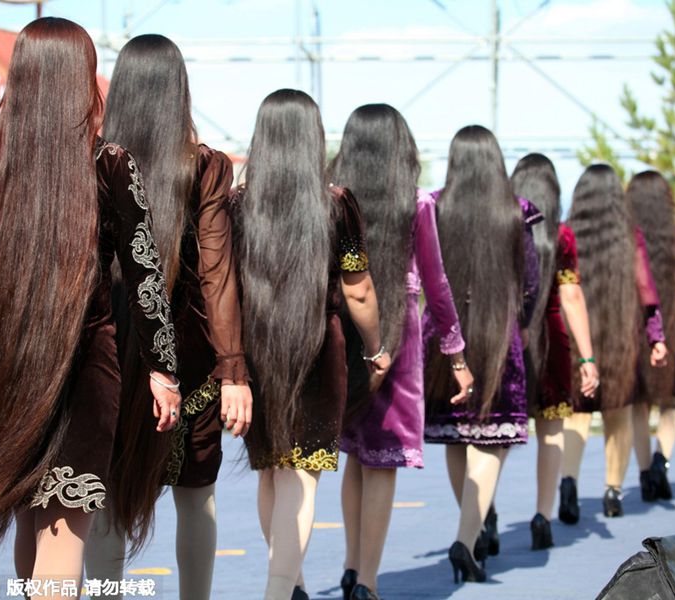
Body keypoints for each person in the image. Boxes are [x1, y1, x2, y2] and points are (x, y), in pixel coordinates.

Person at [0, 17, 181, 599]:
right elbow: (145, 276)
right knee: (62, 531)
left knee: (32, 518)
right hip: (86, 366)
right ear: (82, 79)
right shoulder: (111, 164)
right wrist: (163, 370)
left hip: (5, 364)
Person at [83, 35, 252, 600]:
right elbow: (218, 274)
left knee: (105, 498)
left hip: (107, 353)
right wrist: (234, 371)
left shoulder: (93, 162)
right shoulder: (203, 166)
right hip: (188, 363)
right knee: (196, 496)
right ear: (180, 91)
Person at [231, 89, 389, 600]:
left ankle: (290, 584)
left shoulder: (237, 205)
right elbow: (358, 289)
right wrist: (376, 348)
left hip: (255, 352)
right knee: (301, 473)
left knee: (271, 471)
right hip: (319, 351)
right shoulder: (337, 205)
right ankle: (280, 590)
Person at [330, 104, 473, 600]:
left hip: (346, 330)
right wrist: (456, 355)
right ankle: (368, 581)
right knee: (382, 459)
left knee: (354, 453)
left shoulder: (334, 198)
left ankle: (350, 565)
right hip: (398, 336)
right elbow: (438, 285)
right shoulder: (416, 204)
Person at [422, 126, 540, 583]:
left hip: (443, 335)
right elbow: (530, 281)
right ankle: (466, 538)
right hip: (496, 333)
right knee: (492, 439)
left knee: (456, 436)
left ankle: (474, 525)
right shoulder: (515, 211)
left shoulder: (434, 206)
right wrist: (522, 320)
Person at [560, 164, 668, 521]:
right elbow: (646, 290)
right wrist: (656, 337)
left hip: (577, 337)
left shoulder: (567, 234)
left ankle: (568, 483)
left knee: (576, 414)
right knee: (617, 413)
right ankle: (612, 491)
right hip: (621, 336)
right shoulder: (629, 236)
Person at [511, 154, 599, 550]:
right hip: (552, 339)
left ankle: (484, 516)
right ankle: (542, 516)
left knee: (496, 435)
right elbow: (572, 297)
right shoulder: (562, 237)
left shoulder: (505, 227)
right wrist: (588, 358)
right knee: (551, 432)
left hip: (510, 337)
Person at [626, 171, 675, 501]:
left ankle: (645, 472)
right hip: (673, 327)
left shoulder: (628, 237)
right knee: (671, 401)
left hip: (636, 327)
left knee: (639, 402)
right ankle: (663, 460)